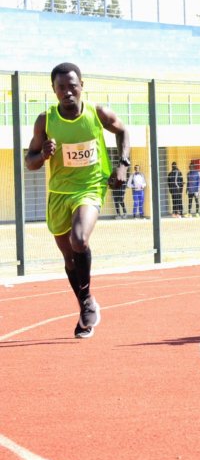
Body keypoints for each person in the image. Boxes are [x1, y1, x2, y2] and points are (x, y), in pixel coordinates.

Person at [24, 62, 131, 338]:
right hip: (59, 192)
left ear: (82, 85)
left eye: (73, 86)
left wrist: (123, 165)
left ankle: (86, 305)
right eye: (61, 87)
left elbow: (123, 131)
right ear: (54, 90)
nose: (68, 92)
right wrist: (43, 155)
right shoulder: (45, 121)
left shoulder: (97, 114)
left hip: (91, 186)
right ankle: (86, 303)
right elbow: (30, 162)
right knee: (70, 258)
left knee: (79, 239)